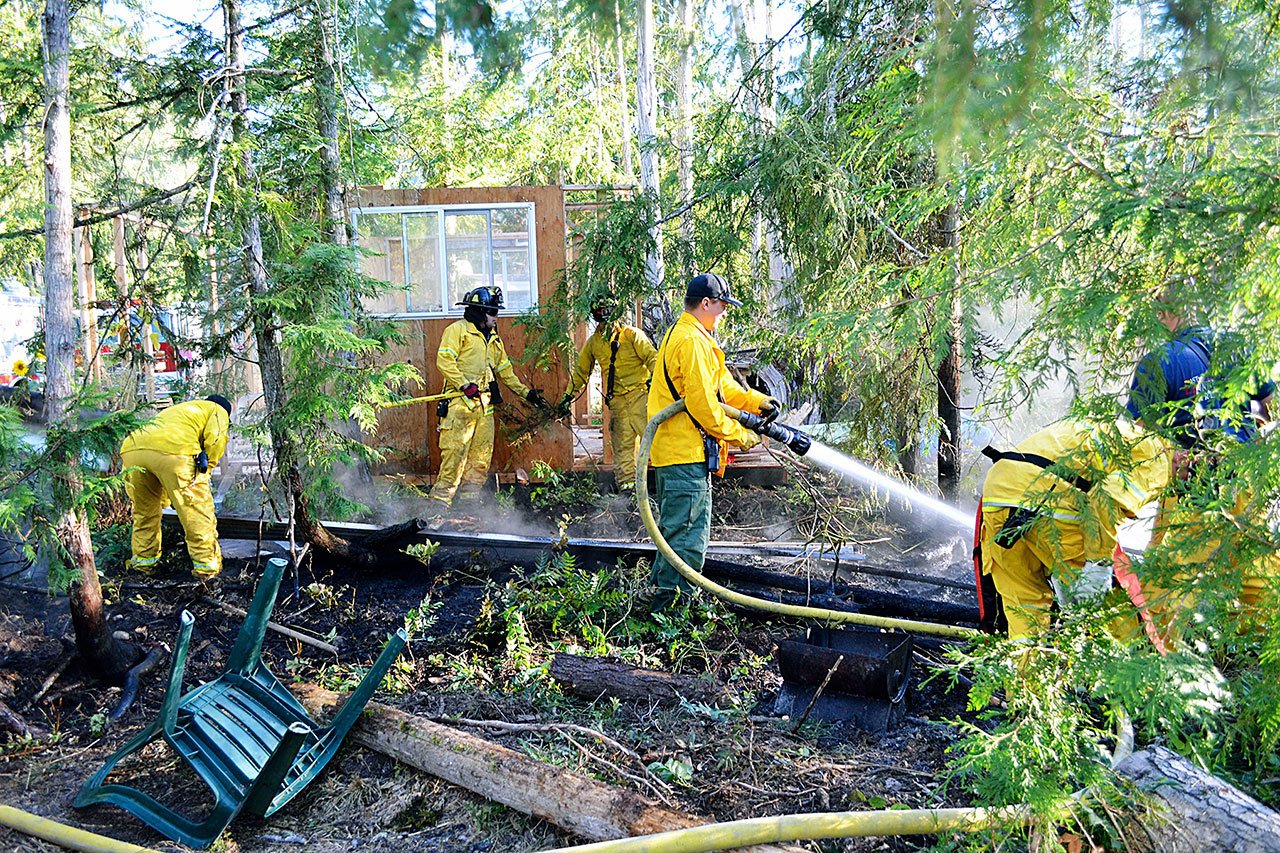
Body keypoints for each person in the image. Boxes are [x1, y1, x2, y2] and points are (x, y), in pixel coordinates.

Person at [1124, 295, 1277, 630]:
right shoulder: (1237, 346)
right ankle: (1255, 657)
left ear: (1163, 314)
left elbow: (1133, 436)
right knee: (1257, 575)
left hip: (1196, 487)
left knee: (1166, 582)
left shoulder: (1160, 361)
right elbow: (1267, 405)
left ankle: (1160, 662)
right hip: (1248, 483)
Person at [644, 273, 779, 612]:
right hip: (683, 455)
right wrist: (741, 436)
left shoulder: (694, 336)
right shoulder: (691, 342)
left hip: (679, 452)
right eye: (721, 306)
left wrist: (756, 401)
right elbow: (705, 407)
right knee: (687, 540)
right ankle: (672, 615)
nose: (724, 313)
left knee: (675, 534)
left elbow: (720, 388)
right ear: (706, 303)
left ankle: (660, 604)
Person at [975, 419, 1173, 640]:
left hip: (998, 494)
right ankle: (1132, 667)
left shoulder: (1112, 428)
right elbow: (1105, 501)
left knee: (1024, 607)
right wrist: (1098, 565)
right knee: (1110, 607)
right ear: (1188, 456)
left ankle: (1022, 671)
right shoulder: (1161, 457)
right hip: (1048, 500)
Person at [429, 286, 550, 509]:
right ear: (479, 311)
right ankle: (437, 510)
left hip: (484, 408)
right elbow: (444, 361)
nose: (496, 317)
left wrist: (527, 394)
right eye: (493, 312)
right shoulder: (457, 331)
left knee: (480, 462)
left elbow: (505, 372)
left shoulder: (493, 339)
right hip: (459, 405)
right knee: (454, 460)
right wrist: (465, 385)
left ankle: (469, 509)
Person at [120, 394, 232, 581]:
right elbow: (215, 440)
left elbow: (158, 466)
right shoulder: (217, 409)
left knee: (145, 512)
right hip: (175, 452)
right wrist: (206, 469)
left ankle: (143, 566)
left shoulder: (180, 411)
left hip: (132, 450)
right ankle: (208, 570)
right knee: (196, 513)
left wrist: (165, 499)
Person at [558, 298, 657, 494]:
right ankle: (629, 493)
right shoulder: (594, 343)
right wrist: (567, 397)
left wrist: (655, 382)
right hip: (618, 403)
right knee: (623, 450)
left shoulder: (631, 335)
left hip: (640, 398)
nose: (604, 324)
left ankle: (664, 488)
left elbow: (652, 358)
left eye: (607, 319)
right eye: (600, 320)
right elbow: (580, 373)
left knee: (656, 443)